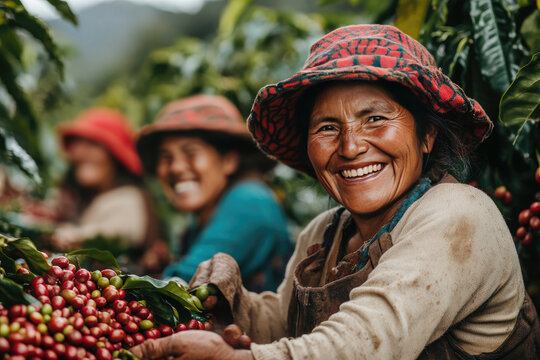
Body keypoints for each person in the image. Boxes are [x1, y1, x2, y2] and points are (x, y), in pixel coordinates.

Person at [131, 25, 540, 359]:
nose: (349, 146)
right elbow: (289, 325)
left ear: (427, 134)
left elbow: (366, 342)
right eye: (327, 127)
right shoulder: (323, 234)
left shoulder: (459, 215)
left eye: (375, 118)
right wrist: (234, 304)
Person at [135, 94, 293, 292]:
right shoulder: (203, 218)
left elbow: (183, 282)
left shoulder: (248, 201)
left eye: (190, 153)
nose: (175, 168)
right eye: (166, 158)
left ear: (229, 161)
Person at [51, 107, 168, 274]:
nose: (79, 152)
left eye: (92, 144)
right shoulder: (96, 198)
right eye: (79, 143)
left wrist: (67, 234)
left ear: (115, 156)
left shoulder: (129, 198)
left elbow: (107, 235)